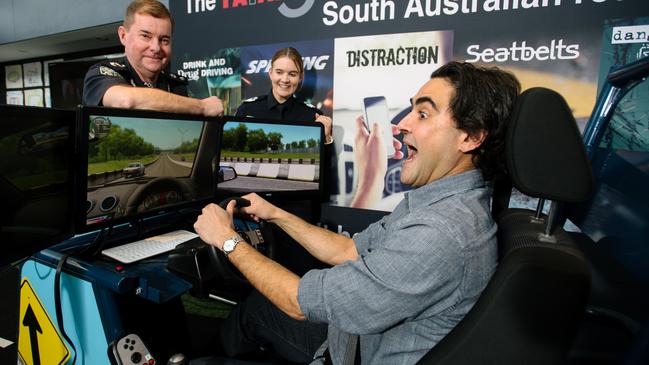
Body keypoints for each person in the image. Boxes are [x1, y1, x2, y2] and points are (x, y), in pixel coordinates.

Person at [192, 61, 521, 364]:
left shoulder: (439, 232)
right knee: (257, 307)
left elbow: (297, 302)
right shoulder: (437, 203)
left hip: (349, 353)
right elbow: (349, 249)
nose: (399, 125)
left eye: (422, 114)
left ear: (472, 136)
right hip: (350, 339)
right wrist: (275, 213)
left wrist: (228, 240)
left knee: (251, 314)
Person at [82, 0, 223, 116]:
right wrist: (202, 107)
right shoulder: (102, 74)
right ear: (123, 35)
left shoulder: (178, 86)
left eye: (164, 40)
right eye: (145, 36)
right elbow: (126, 101)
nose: (156, 48)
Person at [236, 47, 333, 144]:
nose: (285, 79)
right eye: (279, 72)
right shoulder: (246, 110)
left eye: (292, 74)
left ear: (301, 77)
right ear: (270, 73)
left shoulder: (312, 115)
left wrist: (326, 138)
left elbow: (324, 158)